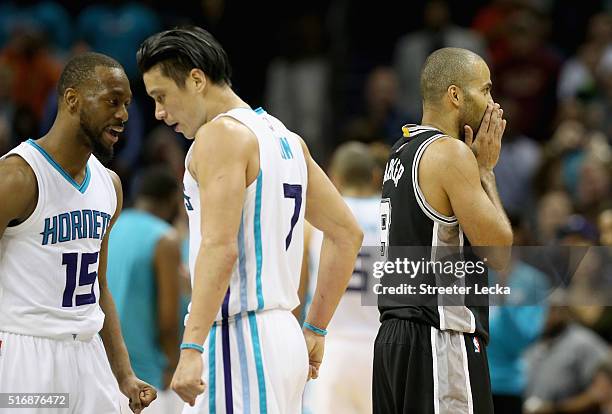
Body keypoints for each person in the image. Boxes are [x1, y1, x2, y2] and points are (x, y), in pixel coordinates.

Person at [136, 26, 363, 413]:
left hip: (239, 338)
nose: (158, 113)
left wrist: (191, 346)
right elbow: (347, 234)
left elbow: (219, 247)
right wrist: (316, 327)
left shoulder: (219, 136)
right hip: (283, 339)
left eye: (162, 97)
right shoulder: (287, 137)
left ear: (195, 79)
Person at [0, 52, 156, 413]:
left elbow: (99, 288)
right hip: (27, 354)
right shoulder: (18, 177)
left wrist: (125, 375)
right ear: (72, 99)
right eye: (112, 101)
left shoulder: (110, 185)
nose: (123, 115)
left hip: (89, 355)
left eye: (127, 104)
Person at [375, 47, 513, 414]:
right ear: (455, 95)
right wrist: (486, 172)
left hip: (392, 340)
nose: (492, 103)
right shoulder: (450, 154)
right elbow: (499, 253)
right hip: (439, 341)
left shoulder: (400, 151)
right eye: (484, 90)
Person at [304, 142, 381, 414]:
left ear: (334, 177)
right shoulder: (393, 218)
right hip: (383, 347)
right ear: (375, 175)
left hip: (331, 348)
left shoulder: (315, 223)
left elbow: (299, 292)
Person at [107, 166, 184, 414]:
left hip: (107, 370)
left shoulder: (112, 227)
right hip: (148, 380)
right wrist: (173, 367)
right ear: (173, 200)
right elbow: (168, 320)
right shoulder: (165, 239)